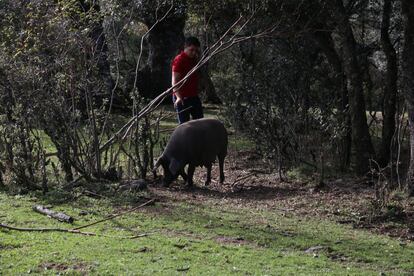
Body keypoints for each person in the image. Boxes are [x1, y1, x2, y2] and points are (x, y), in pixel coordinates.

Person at [171, 36, 204, 124]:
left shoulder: (194, 60)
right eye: (191, 50)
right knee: (184, 126)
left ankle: (197, 138)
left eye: (196, 50)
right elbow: (174, 81)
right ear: (185, 47)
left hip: (193, 97)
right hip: (182, 98)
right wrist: (178, 97)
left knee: (200, 123)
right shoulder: (179, 60)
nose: (194, 53)